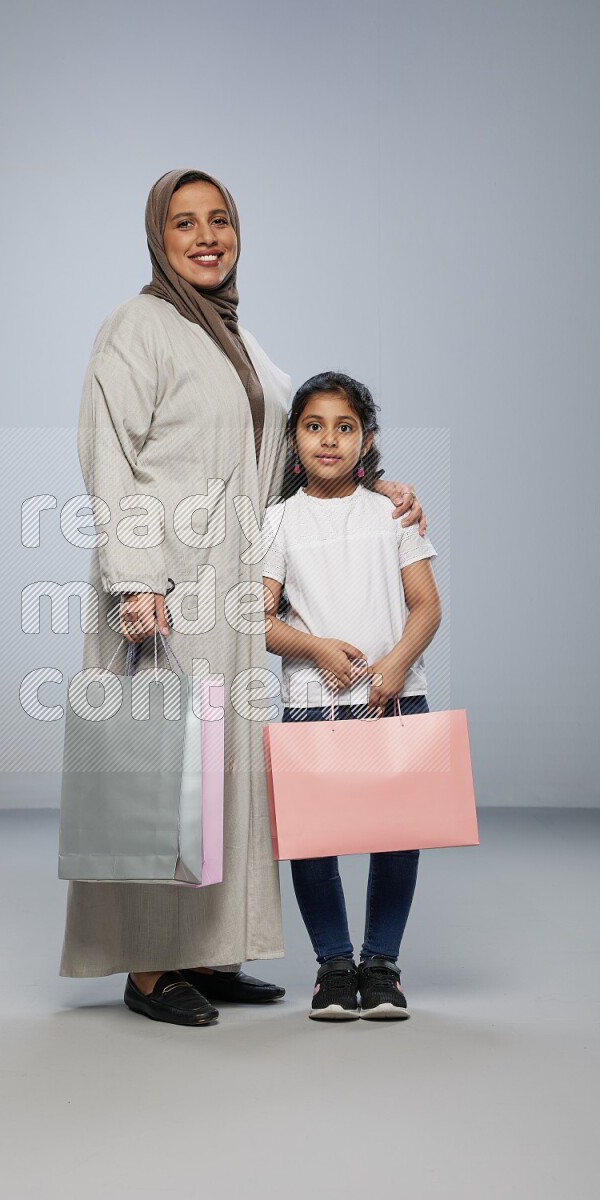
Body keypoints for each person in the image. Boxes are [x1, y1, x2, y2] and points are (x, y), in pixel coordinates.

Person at [60, 170, 427, 1028]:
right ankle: (149, 967)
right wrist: (137, 581)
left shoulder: (239, 339)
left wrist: (378, 485)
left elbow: (301, 444)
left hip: (236, 587)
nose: (204, 236)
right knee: (160, 772)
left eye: (219, 219)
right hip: (165, 583)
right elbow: (110, 458)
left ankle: (204, 953)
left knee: (222, 776)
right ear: (158, 236)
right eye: (183, 222)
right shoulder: (136, 328)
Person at [261, 371, 441, 1021]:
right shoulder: (277, 521)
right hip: (314, 701)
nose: (329, 440)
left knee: (398, 837)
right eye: (314, 426)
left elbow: (426, 605)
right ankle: (335, 967)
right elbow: (259, 618)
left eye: (345, 427)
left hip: (395, 698)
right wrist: (315, 648)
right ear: (293, 439)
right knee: (315, 841)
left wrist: (394, 663)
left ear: (367, 440)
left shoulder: (391, 513)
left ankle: (382, 965)